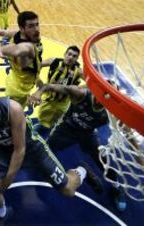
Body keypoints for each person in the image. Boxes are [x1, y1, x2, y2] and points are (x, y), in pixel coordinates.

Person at [0, 79, 102, 225]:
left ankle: (82, 170)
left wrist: (6, 182)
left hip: (33, 150)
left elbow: (20, 150)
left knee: (68, 190)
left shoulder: (13, 109)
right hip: (3, 153)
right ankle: (3, 213)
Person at [43, 83, 128, 211]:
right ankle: (84, 171)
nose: (107, 101)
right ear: (99, 93)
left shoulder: (111, 110)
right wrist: (39, 92)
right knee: (45, 152)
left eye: (110, 98)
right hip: (67, 128)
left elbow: (128, 130)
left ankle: (116, 186)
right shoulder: (81, 94)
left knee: (102, 160)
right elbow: (54, 87)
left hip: (88, 133)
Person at [28, 45, 83, 135]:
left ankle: (54, 130)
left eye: (74, 56)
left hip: (64, 102)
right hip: (49, 97)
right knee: (43, 117)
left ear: (77, 59)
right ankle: (41, 126)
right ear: (65, 54)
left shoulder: (79, 71)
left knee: (59, 121)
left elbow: (90, 82)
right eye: (69, 54)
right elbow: (37, 65)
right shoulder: (55, 62)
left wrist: (78, 90)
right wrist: (37, 79)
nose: (71, 57)